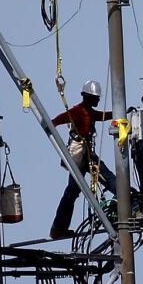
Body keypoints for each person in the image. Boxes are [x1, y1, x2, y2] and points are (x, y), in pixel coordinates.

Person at [49, 80, 117, 239]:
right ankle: (58, 229)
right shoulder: (77, 112)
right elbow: (56, 120)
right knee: (75, 190)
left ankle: (58, 228)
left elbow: (100, 116)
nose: (97, 101)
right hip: (81, 158)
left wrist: (119, 113)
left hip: (86, 157)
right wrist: (50, 126)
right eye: (96, 98)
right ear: (88, 97)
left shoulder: (88, 111)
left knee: (75, 190)